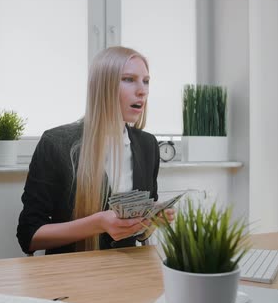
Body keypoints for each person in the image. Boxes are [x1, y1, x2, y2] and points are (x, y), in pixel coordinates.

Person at [16, 46, 174, 255]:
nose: (142, 90)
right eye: (128, 79)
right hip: (72, 275)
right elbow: (29, 236)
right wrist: (98, 223)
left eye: (146, 81)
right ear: (103, 86)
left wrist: (151, 222)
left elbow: (138, 234)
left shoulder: (148, 145)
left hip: (127, 272)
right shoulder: (55, 143)